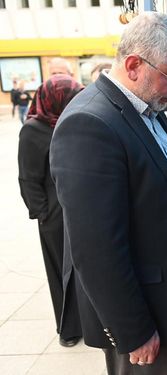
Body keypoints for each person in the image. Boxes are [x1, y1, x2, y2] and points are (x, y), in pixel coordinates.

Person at [49, 12, 167, 374]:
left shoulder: (144, 106)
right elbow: (95, 249)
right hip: (144, 316)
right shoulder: (89, 123)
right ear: (134, 65)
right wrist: (134, 329)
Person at [18, 74, 84, 347]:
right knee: (60, 273)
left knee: (85, 269)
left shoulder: (74, 122)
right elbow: (28, 177)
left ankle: (91, 321)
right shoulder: (33, 129)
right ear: (56, 99)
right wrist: (42, 214)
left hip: (81, 209)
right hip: (54, 215)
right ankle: (68, 329)